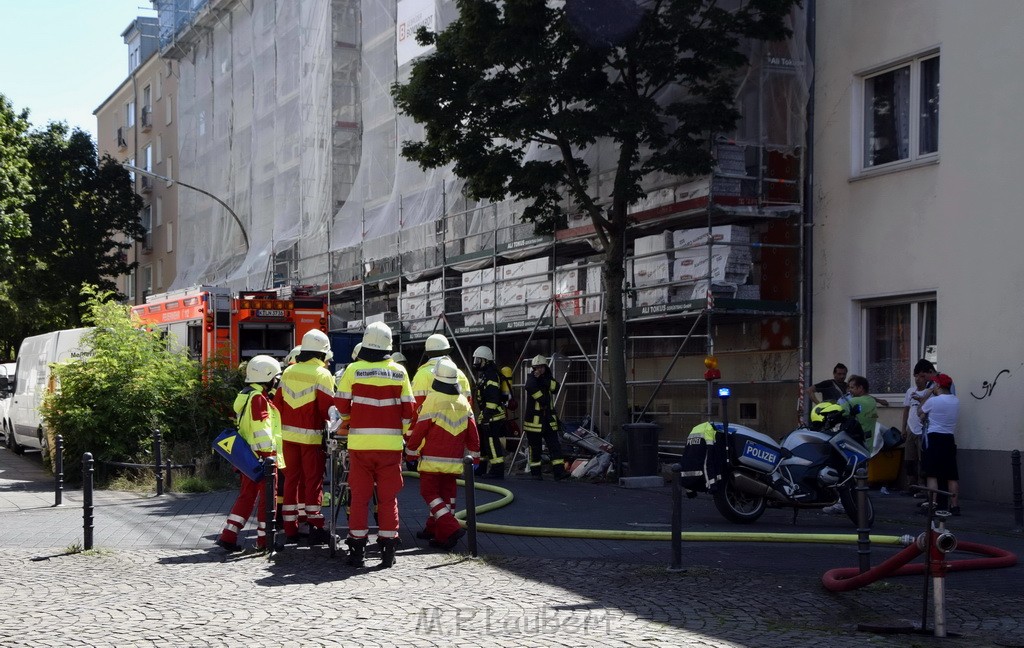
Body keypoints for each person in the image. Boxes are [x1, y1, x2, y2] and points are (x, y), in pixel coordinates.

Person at [335, 321, 415, 568]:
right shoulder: (399, 372)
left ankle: (357, 553)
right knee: (388, 498)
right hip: (390, 447)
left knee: (359, 498)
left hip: (360, 446)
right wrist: (399, 432)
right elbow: (409, 410)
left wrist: (349, 420)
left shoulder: (353, 370)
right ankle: (388, 553)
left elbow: (340, 406)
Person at [405, 358, 480, 550]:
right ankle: (437, 532)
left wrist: (410, 453)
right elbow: (473, 434)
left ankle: (450, 527)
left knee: (429, 492)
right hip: (455, 462)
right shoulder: (463, 401)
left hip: (431, 461)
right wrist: (476, 457)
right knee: (447, 496)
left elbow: (420, 430)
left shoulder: (433, 400)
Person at [273, 329, 336, 545]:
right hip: (311, 439)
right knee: (313, 482)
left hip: (287, 438)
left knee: (291, 480)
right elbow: (326, 409)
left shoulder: (289, 372)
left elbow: (278, 404)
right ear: (322, 353)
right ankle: (315, 525)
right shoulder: (323, 374)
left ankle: (290, 527)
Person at [216, 355, 284, 552]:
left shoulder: (246, 395)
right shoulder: (258, 399)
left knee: (246, 496)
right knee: (267, 499)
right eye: (275, 378)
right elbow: (261, 429)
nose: (276, 382)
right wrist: (268, 457)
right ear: (267, 377)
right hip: (263, 457)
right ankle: (264, 541)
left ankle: (229, 535)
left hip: (248, 456)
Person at [918, 372, 960, 514]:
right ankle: (954, 506)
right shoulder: (955, 401)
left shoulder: (933, 401)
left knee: (932, 474)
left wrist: (928, 394)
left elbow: (919, 412)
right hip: (949, 438)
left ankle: (933, 503)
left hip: (934, 438)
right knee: (951, 475)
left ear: (937, 385)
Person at [523, 355, 567, 481]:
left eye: (541, 367)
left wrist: (543, 379)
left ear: (545, 367)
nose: (538, 370)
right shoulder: (531, 378)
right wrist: (542, 400)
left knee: (554, 446)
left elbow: (556, 387)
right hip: (534, 422)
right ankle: (536, 473)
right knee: (535, 448)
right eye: (536, 367)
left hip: (548, 420)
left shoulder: (547, 378)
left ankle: (559, 472)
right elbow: (529, 387)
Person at [471, 345, 509, 479]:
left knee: (492, 443)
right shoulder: (486, 374)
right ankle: (481, 468)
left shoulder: (491, 375)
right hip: (487, 415)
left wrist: (486, 417)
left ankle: (497, 470)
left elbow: (493, 398)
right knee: (484, 443)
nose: (476, 363)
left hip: (493, 416)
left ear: (486, 361)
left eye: (478, 360)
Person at [411, 334, 472, 411]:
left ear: (428, 353)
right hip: (460, 421)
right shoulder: (460, 373)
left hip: (434, 422)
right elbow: (468, 403)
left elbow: (416, 406)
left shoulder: (422, 374)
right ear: (447, 351)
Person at [902, 359, 934, 495]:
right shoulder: (910, 391)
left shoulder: (929, 392)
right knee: (909, 460)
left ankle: (922, 487)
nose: (918, 379)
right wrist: (903, 428)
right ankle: (911, 486)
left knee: (922, 461)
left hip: (922, 431)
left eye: (921, 376)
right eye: (916, 376)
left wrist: (920, 400)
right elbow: (905, 410)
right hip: (911, 429)